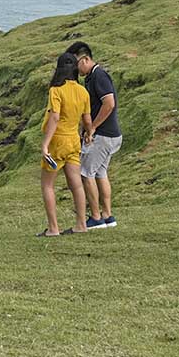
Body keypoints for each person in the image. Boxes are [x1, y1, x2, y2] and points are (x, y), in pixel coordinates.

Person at [66, 41, 122, 230]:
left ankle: (96, 217)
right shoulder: (91, 77)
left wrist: (93, 128)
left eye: (76, 63)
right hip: (109, 134)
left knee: (85, 172)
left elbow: (109, 103)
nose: (75, 68)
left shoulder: (99, 75)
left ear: (86, 59)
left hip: (104, 134)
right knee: (100, 172)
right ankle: (107, 215)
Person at [38, 52, 93, 237]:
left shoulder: (56, 90)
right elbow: (86, 118)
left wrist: (45, 144)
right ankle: (81, 225)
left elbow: (54, 116)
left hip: (58, 141)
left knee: (47, 185)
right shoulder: (82, 91)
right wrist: (89, 133)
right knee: (76, 185)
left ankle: (53, 228)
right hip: (73, 140)